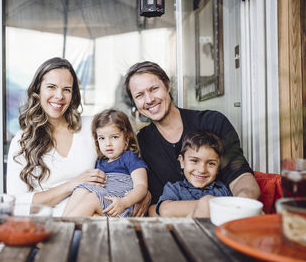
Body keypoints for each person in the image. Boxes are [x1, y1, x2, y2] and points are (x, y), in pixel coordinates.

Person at [124, 61, 260, 217]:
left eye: (154, 89)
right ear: (134, 102)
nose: (149, 100)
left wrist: (243, 204)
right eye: (139, 95)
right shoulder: (142, 143)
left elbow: (240, 175)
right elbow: (155, 207)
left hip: (227, 219)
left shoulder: (213, 122)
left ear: (167, 86)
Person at [6, 57, 106, 216]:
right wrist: (72, 184)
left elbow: (124, 163)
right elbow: (17, 203)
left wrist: (143, 192)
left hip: (94, 220)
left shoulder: (92, 127)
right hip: (46, 227)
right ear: (38, 90)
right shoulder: (22, 141)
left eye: (66, 89)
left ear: (73, 95)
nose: (59, 96)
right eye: (51, 87)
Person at [63, 109, 148, 217]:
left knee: (92, 198)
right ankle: (62, 222)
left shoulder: (129, 157)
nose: (108, 143)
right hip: (105, 200)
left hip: (120, 205)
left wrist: (124, 202)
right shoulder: (100, 162)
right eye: (102, 138)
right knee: (81, 189)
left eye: (114, 137)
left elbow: (141, 186)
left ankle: (63, 226)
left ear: (126, 139)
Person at [157, 130, 232, 217]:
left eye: (211, 163)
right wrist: (206, 204)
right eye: (194, 161)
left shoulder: (223, 190)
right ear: (182, 161)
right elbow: (166, 211)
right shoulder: (175, 189)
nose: (202, 170)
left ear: (219, 166)